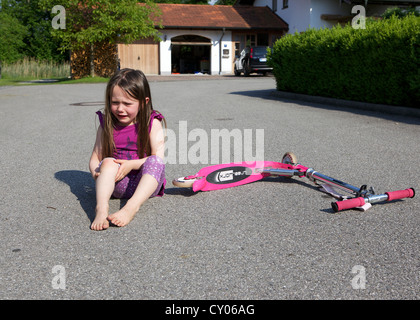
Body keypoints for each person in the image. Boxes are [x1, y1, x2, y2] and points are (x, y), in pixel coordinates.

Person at [89, 69, 166, 230]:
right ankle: (101, 208)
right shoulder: (107, 125)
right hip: (116, 184)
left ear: (144, 102)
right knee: (108, 161)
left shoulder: (152, 123)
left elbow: (158, 157)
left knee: (155, 161)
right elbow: (96, 157)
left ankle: (131, 207)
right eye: (115, 102)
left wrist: (132, 165)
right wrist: (97, 172)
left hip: (145, 184)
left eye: (127, 104)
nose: (120, 109)